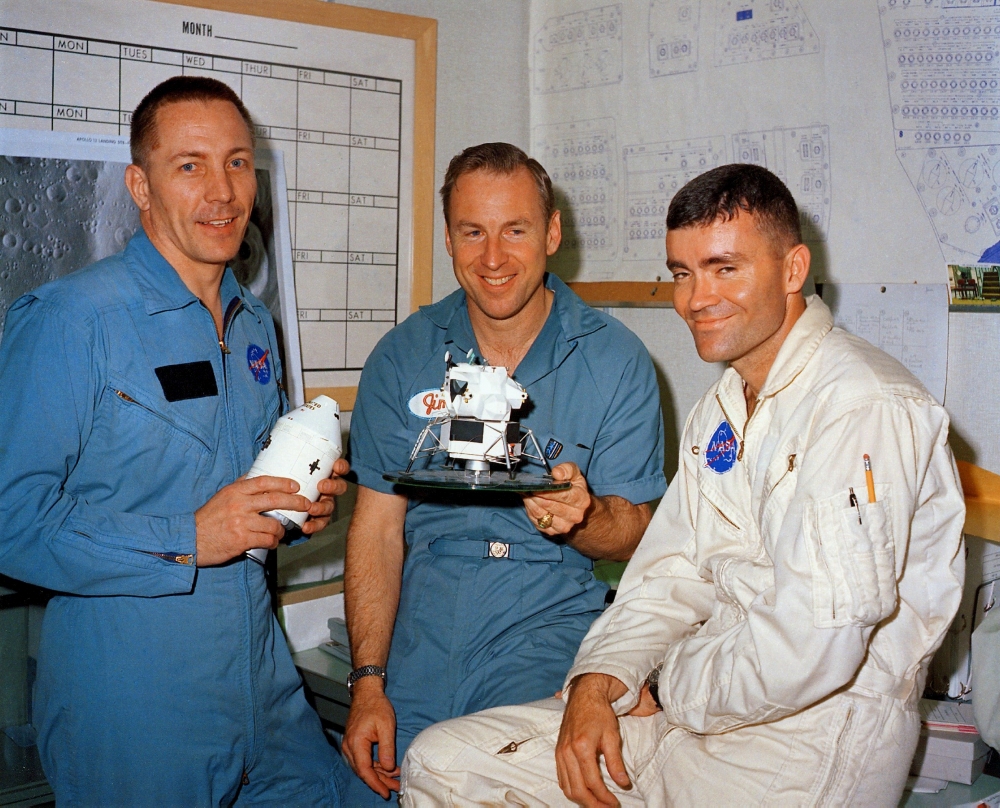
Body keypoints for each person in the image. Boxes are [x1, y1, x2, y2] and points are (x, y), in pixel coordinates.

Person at [401, 163, 967, 807]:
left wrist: (666, 683)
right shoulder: (723, 407)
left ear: (792, 269)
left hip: (808, 740)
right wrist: (598, 678)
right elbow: (667, 573)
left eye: (725, 268)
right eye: (682, 272)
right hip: (687, 716)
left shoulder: (862, 405)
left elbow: (813, 647)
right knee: (446, 764)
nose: (696, 298)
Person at [0, 76, 347, 806]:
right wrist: (188, 536)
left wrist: (296, 507)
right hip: (133, 700)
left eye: (238, 162)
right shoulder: (72, 321)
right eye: (189, 165)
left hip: (262, 679)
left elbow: (238, 488)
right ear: (141, 184)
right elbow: (11, 521)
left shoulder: (254, 324)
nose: (221, 191)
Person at [341, 143, 667, 803]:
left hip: (547, 624)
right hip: (421, 634)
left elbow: (640, 537)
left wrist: (583, 517)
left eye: (514, 230)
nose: (493, 258)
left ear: (551, 233)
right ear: (451, 240)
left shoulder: (617, 362)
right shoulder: (403, 355)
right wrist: (368, 681)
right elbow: (376, 529)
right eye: (473, 232)